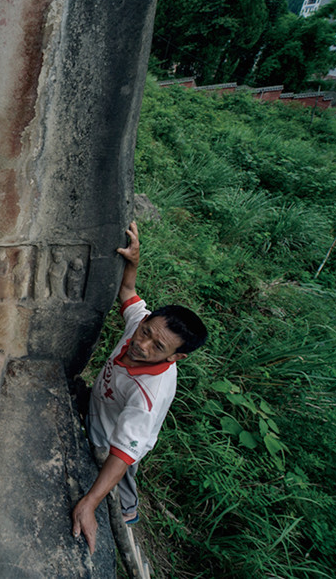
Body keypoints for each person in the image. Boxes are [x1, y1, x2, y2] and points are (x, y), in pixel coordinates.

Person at [71, 221, 207, 553]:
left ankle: (128, 512)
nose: (141, 345)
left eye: (157, 347)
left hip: (116, 442)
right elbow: (129, 293)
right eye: (145, 331)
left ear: (178, 357)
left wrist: (88, 503)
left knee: (120, 479)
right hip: (101, 407)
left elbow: (121, 454)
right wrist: (132, 261)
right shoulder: (142, 327)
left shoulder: (150, 395)